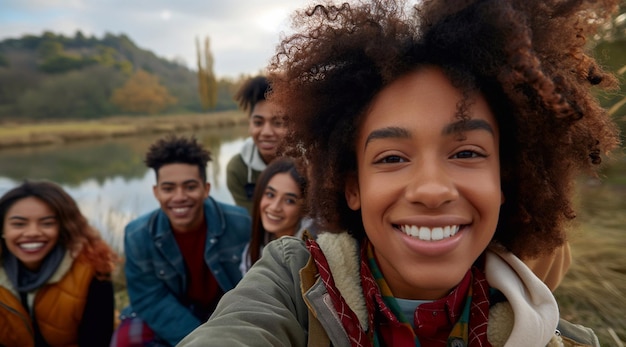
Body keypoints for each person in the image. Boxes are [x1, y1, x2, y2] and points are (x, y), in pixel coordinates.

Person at [178, 0, 621, 346]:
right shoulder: (290, 280)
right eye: (391, 157)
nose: (431, 189)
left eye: (466, 152)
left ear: (505, 178)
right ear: (352, 186)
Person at [111, 135, 250, 346]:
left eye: (190, 187)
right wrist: (202, 340)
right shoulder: (137, 235)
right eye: (168, 189)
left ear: (206, 189)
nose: (179, 197)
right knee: (127, 339)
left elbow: (251, 287)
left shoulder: (240, 223)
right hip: (174, 312)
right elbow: (149, 298)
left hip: (225, 311)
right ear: (156, 192)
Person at [0, 180, 117, 347]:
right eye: (18, 224)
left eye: (47, 223)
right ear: (2, 229)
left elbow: (97, 340)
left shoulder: (93, 268)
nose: (32, 233)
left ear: (63, 228)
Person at [226, 75, 287, 214]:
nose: (266, 132)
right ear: (250, 125)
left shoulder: (308, 164)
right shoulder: (238, 169)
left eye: (278, 123)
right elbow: (251, 221)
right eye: (258, 123)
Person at [240, 157, 308, 274]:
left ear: (305, 209)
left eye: (289, 201)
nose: (275, 207)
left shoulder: (314, 253)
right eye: (270, 194)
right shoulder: (252, 251)